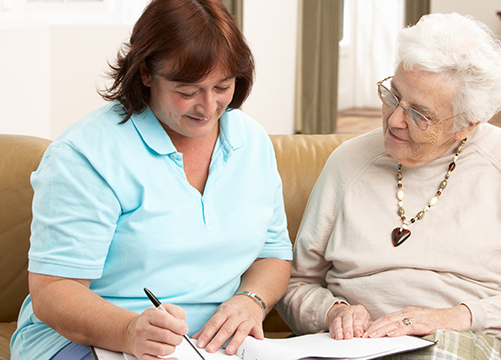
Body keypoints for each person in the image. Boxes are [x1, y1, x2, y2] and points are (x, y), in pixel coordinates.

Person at [277, 13, 501, 360]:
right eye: (393, 95)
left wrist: (454, 318)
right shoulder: (349, 162)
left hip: (473, 341)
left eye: (420, 113)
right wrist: (333, 312)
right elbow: (296, 283)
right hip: (357, 346)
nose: (394, 119)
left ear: (467, 123)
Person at [10, 0, 292, 359]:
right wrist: (129, 331)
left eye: (222, 87)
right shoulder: (86, 154)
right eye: (187, 92)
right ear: (145, 73)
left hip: (210, 347)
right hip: (89, 342)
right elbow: (54, 291)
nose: (208, 108)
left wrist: (250, 300)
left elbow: (274, 255)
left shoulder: (251, 142)